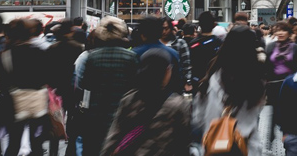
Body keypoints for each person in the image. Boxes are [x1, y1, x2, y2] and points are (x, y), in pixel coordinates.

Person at [101, 50, 190, 156]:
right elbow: (183, 143)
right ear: (167, 71)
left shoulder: (130, 98)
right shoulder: (178, 105)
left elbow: (114, 135)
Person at [193, 25, 266, 154]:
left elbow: (198, 118)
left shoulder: (212, 78)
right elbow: (256, 113)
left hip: (215, 146)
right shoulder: (256, 81)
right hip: (246, 147)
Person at [78, 17, 138, 156]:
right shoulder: (131, 57)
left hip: (96, 113)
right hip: (122, 113)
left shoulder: (92, 57)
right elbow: (135, 86)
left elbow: (85, 86)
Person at [0, 19, 50, 156]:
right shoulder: (39, 51)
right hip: (37, 100)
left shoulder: (6, 53)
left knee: (13, 142)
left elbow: (1, 82)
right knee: (36, 142)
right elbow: (47, 77)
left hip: (13, 101)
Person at [47, 20, 84, 156]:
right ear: (71, 31)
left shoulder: (52, 48)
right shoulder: (78, 47)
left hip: (56, 88)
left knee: (55, 119)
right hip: (72, 88)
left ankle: (54, 150)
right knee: (73, 117)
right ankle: (70, 148)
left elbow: (48, 70)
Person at [132, 17, 182, 94]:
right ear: (160, 32)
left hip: (140, 99)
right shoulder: (173, 53)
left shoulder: (133, 54)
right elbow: (177, 81)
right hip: (167, 99)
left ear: (142, 34)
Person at [265, 21, 297, 107]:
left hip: (291, 84)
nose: (280, 33)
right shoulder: (270, 46)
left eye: (283, 30)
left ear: (289, 32)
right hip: (273, 85)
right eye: (278, 30)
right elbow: (266, 66)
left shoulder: (296, 48)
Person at [189, 11, 222, 86]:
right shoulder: (219, 43)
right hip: (215, 82)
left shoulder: (193, 44)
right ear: (214, 25)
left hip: (197, 80)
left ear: (199, 25)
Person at [162, 18, 192, 92]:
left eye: (166, 28)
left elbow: (187, 64)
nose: (164, 31)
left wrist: (188, 82)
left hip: (176, 84)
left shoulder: (180, 43)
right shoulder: (154, 44)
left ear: (171, 28)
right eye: (161, 29)